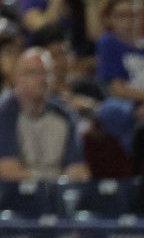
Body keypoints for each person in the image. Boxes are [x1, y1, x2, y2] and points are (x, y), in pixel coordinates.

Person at [0, 48, 89, 182]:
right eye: (33, 73)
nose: (42, 79)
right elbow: (7, 170)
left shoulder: (65, 115)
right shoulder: (5, 113)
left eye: (47, 72)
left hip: (57, 196)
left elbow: (78, 170)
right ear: (17, 77)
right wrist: (49, 185)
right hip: (16, 196)